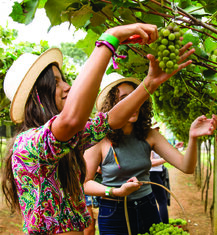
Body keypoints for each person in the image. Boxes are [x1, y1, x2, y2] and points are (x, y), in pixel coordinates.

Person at [1, 23, 195, 234]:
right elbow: (72, 120)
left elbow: (111, 120)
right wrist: (109, 40)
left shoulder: (66, 140)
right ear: (36, 94)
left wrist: (149, 84)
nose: (67, 87)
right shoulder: (28, 144)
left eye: (63, 80)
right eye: (56, 82)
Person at [83, 73, 217, 235]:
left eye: (135, 97)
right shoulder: (100, 140)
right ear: (112, 105)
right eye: (124, 98)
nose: (133, 103)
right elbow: (85, 183)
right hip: (114, 212)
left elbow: (186, 167)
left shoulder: (149, 134)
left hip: (147, 206)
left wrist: (192, 137)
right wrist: (114, 191)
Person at [149, 122, 170, 224]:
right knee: (161, 201)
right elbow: (150, 163)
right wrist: (166, 159)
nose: (157, 131)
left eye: (157, 129)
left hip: (157, 174)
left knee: (157, 201)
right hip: (152, 175)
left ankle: (158, 223)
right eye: (155, 129)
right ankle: (163, 224)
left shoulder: (156, 143)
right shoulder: (149, 144)